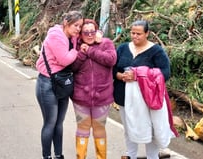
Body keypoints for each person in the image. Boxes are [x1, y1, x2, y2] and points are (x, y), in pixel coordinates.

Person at [113, 20, 178, 159]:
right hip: (123, 95)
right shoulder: (123, 48)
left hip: (147, 98)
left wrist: (139, 76)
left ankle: (152, 156)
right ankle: (131, 155)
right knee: (129, 127)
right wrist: (119, 75)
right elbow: (112, 68)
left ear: (147, 33)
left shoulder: (156, 51)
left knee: (150, 129)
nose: (135, 36)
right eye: (132, 33)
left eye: (139, 34)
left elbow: (165, 73)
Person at [35, 11, 83, 159]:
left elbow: (91, 32)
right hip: (47, 83)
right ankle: (46, 156)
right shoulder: (56, 35)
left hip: (63, 82)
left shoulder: (72, 37)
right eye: (76, 25)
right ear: (66, 23)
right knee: (50, 122)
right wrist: (76, 51)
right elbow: (64, 59)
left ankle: (58, 154)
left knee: (59, 123)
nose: (78, 29)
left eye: (80, 26)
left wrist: (98, 33)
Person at [71, 19, 116, 159]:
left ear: (97, 31)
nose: (90, 35)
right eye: (86, 32)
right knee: (82, 127)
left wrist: (90, 50)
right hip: (80, 96)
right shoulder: (75, 46)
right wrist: (82, 53)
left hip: (102, 96)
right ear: (80, 34)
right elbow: (72, 67)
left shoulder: (106, 43)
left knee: (99, 128)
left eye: (92, 31)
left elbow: (111, 60)